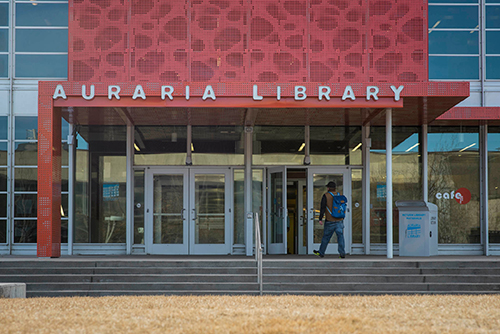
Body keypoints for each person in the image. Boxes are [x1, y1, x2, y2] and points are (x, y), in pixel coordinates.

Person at [313, 181, 346, 258]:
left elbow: (323, 207)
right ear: (335, 188)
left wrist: (320, 218)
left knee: (326, 237)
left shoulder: (326, 196)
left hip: (330, 220)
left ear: (328, 188)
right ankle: (342, 253)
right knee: (340, 237)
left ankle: (321, 252)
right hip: (339, 220)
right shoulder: (339, 195)